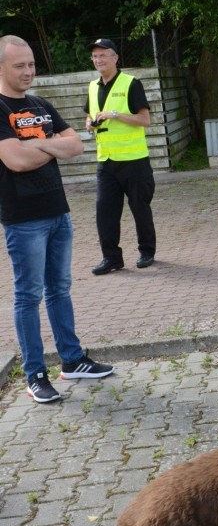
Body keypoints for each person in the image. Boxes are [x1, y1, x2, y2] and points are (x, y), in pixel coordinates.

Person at [0, 35, 114, 404]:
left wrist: (35, 145)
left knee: (59, 289)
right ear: (1, 67)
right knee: (28, 296)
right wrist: (51, 146)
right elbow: (14, 161)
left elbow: (77, 145)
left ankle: (72, 360)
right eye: (20, 65)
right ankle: (35, 373)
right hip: (23, 218)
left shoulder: (40, 103)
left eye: (31, 63)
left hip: (58, 213)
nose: (28, 71)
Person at [84, 38, 156, 274]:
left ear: (115, 57)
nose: (98, 60)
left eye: (103, 55)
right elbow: (90, 115)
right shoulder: (93, 86)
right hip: (106, 161)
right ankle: (111, 258)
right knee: (104, 211)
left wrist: (116, 115)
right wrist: (89, 123)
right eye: (95, 56)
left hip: (134, 160)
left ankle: (147, 252)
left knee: (140, 208)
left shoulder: (131, 84)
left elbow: (145, 120)